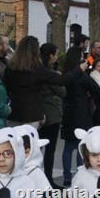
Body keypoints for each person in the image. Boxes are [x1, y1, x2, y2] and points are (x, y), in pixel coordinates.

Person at [3, 35, 85, 128]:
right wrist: (79, 69)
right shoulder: (37, 68)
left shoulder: (10, 67)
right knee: (30, 140)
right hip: (33, 113)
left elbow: (6, 86)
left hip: (14, 111)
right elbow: (61, 80)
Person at [61, 46, 93, 185]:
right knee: (81, 145)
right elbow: (90, 85)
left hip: (68, 111)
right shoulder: (80, 74)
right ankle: (80, 173)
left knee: (68, 147)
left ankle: (67, 176)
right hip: (80, 111)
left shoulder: (66, 72)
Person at [37, 43, 67, 186]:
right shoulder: (49, 73)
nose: (56, 57)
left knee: (37, 149)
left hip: (39, 113)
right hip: (52, 114)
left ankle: (37, 179)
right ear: (51, 55)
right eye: (55, 54)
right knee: (50, 150)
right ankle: (48, 179)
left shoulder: (37, 70)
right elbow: (62, 92)